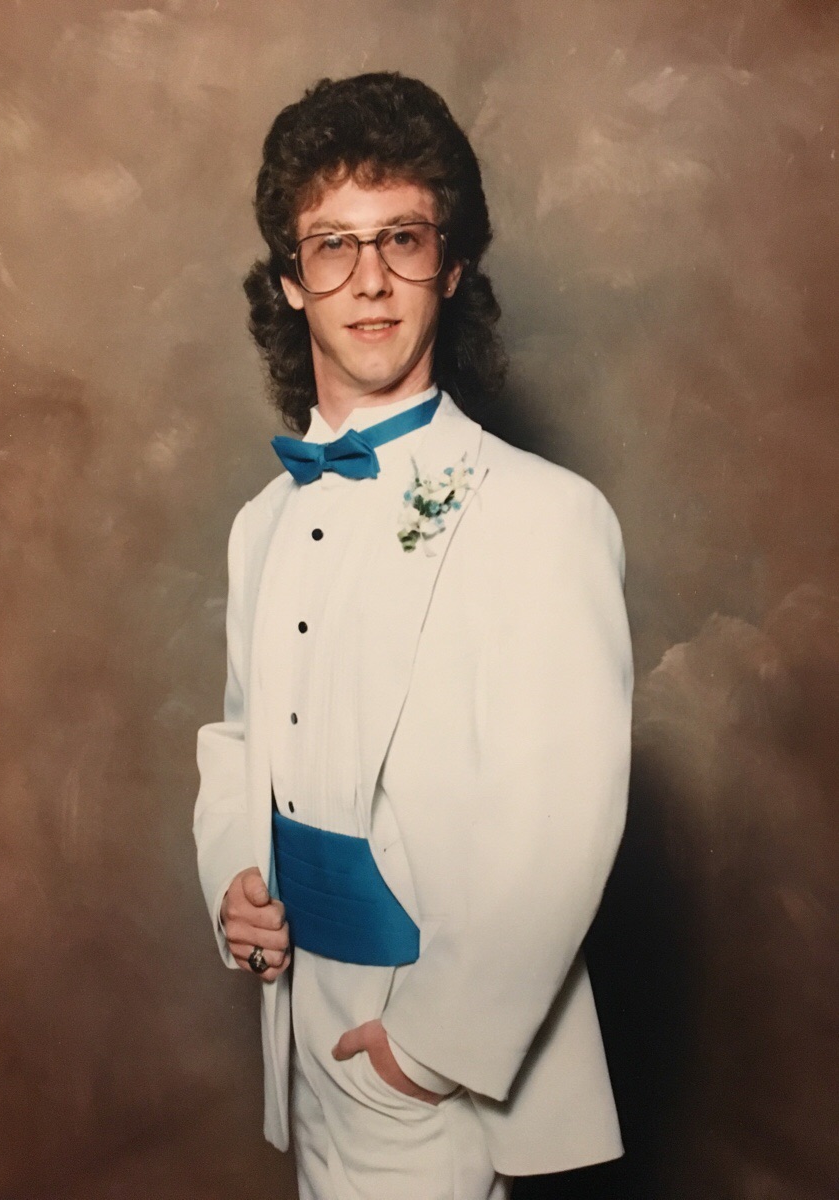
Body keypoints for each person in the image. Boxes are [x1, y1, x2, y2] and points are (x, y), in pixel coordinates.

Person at [194, 72, 633, 1200]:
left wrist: (430, 1047)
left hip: (432, 1050)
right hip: (300, 1032)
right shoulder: (263, 524)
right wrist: (232, 881)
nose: (371, 279)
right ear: (290, 281)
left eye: (403, 237)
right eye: (332, 247)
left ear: (456, 263)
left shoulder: (543, 514)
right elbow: (238, 743)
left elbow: (565, 810)